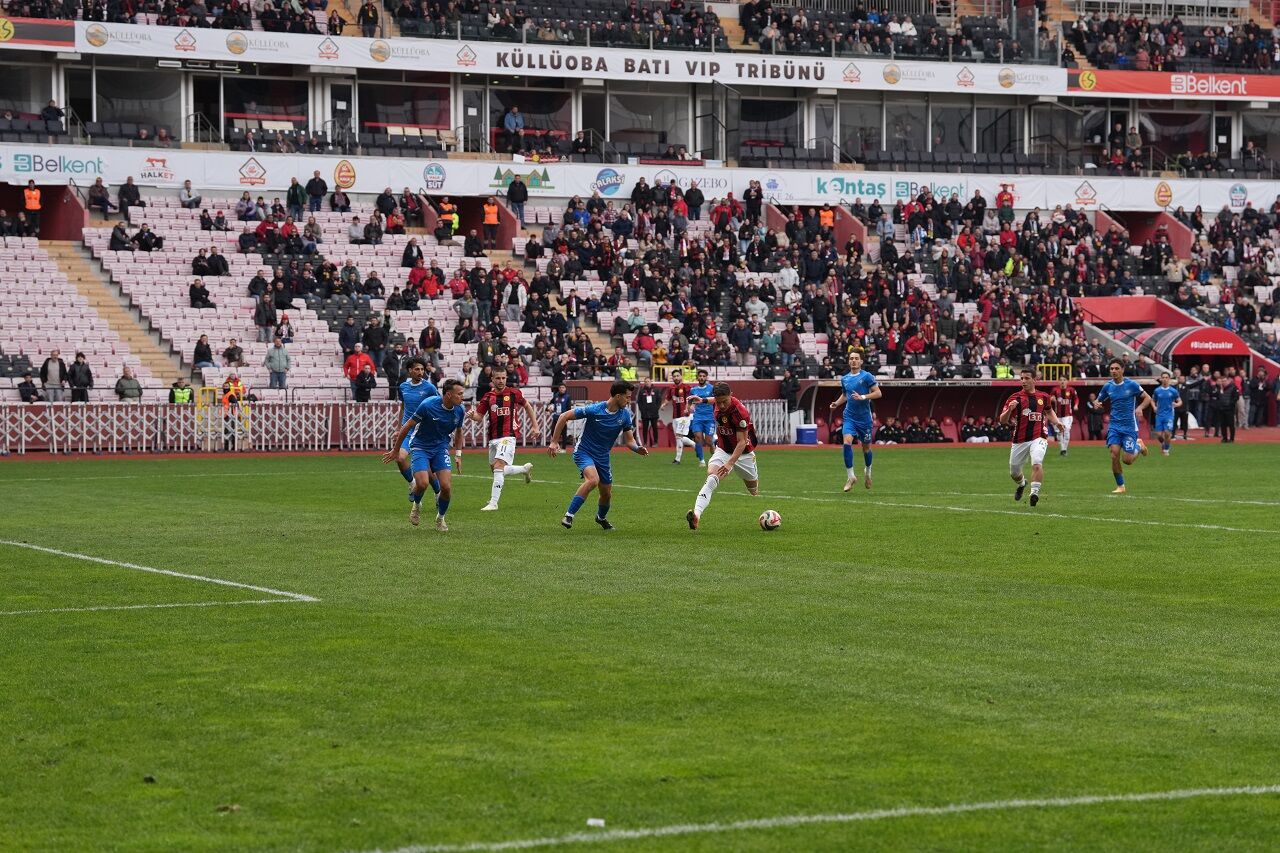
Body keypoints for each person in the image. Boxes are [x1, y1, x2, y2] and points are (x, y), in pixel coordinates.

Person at [547, 380, 647, 530]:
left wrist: (636, 448)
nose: (629, 400)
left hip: (603, 457)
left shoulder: (625, 415)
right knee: (593, 480)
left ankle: (601, 518)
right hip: (584, 452)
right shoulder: (595, 409)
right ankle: (569, 515)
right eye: (627, 397)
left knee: (606, 493)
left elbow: (630, 440)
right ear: (618, 396)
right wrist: (554, 442)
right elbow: (563, 416)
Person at [383, 378, 466, 531]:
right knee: (422, 483)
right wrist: (396, 449)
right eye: (459, 394)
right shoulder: (428, 405)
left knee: (446, 488)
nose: (463, 397)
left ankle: (440, 519)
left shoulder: (460, 410)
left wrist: (458, 454)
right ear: (448, 394)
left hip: (441, 448)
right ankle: (416, 505)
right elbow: (407, 425)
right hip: (420, 446)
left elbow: (459, 432)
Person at [685, 382, 761, 530]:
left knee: (753, 490)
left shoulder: (740, 413)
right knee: (712, 476)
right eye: (718, 402)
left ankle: (753, 489)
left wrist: (730, 464)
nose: (721, 405)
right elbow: (716, 399)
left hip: (743, 453)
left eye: (724, 401)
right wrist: (703, 400)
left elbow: (742, 442)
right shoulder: (718, 402)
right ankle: (696, 515)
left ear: (731, 396)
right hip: (723, 450)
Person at [470, 365, 541, 511]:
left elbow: (527, 406)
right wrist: (472, 416)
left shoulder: (514, 393)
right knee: (496, 469)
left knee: (498, 467)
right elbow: (479, 417)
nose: (501, 381)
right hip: (493, 438)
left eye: (503, 378)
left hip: (508, 436)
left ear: (506, 378)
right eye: (498, 378)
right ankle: (524, 469)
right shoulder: (488, 397)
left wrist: (535, 426)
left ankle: (493, 503)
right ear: (492, 379)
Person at [998, 367, 1065, 508]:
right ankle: (1022, 484)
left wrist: (1057, 422)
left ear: (1035, 380)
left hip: (1039, 436)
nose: (1023, 381)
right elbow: (1002, 420)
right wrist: (1010, 410)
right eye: (1022, 378)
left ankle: (1034, 493)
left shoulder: (1043, 397)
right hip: (1019, 440)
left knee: (1037, 462)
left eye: (1027, 378)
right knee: (1014, 472)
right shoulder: (1014, 398)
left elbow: (1049, 411)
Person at [1094, 358, 1152, 494]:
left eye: (1116, 368)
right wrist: (1097, 403)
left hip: (1129, 427)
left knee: (1127, 460)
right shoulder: (1108, 386)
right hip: (1114, 426)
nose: (1113, 371)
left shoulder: (1131, 385)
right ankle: (1121, 486)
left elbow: (1148, 398)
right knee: (1114, 455)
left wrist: (1140, 407)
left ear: (1122, 370)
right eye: (1112, 369)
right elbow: (1099, 399)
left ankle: (1139, 445)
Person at [829, 350, 882, 491]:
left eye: (856, 358)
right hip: (849, 417)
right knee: (847, 442)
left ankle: (868, 471)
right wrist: (836, 403)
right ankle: (851, 476)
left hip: (864, 419)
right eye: (851, 358)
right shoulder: (845, 379)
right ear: (849, 361)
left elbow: (878, 393)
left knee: (866, 448)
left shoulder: (867, 376)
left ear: (861, 361)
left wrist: (863, 397)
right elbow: (845, 395)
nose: (853, 360)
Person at [393, 358, 442, 500]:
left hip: (424, 432)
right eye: (417, 369)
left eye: (422, 369)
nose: (421, 372)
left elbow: (438, 406)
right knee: (400, 458)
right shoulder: (403, 387)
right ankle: (412, 483)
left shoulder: (430, 388)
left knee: (427, 469)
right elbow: (403, 407)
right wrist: (399, 427)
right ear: (410, 370)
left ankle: (438, 492)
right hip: (408, 431)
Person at [667, 373, 700, 464]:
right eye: (674, 376)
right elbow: (668, 398)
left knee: (679, 437)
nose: (676, 377)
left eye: (678, 376)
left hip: (684, 415)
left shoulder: (686, 387)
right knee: (678, 438)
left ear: (681, 377)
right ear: (672, 378)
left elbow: (694, 397)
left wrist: (692, 406)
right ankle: (694, 446)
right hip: (675, 417)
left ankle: (677, 459)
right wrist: (664, 404)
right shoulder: (671, 388)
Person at [687, 368, 717, 467]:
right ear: (697, 377)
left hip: (709, 418)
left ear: (706, 378)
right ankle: (701, 460)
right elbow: (689, 402)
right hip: (697, 418)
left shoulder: (711, 388)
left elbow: (716, 400)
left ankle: (712, 446)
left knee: (708, 440)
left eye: (704, 376)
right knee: (698, 437)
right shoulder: (693, 390)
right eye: (700, 376)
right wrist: (689, 407)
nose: (702, 377)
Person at [1151, 371, 1182, 456]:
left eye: (1166, 377)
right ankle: (1163, 444)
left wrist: (1176, 404)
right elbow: (1152, 400)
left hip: (1169, 415)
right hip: (1159, 415)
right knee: (1158, 435)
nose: (1164, 379)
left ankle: (1166, 449)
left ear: (1169, 379)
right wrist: (1154, 407)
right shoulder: (1157, 390)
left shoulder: (1173, 391)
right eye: (1163, 377)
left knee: (1167, 433)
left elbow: (1180, 401)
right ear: (1161, 379)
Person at [1051, 378, 1078, 457]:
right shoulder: (1055, 390)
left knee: (1066, 431)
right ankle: (1062, 449)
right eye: (1061, 380)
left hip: (1067, 415)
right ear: (1059, 381)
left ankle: (1064, 449)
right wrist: (1051, 399)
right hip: (1057, 415)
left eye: (1064, 380)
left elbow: (1076, 398)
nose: (1062, 381)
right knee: (1059, 432)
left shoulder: (1071, 390)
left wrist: (1076, 405)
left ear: (1067, 381)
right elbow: (1050, 398)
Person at [636, 378, 662, 447]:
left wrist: (656, 408)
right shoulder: (641, 391)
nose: (647, 383)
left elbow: (659, 400)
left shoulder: (656, 390)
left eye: (648, 381)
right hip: (645, 413)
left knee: (654, 428)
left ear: (651, 382)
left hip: (654, 412)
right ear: (644, 383)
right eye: (646, 382)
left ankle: (655, 442)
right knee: (645, 428)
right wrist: (642, 410)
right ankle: (645, 443)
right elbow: (639, 402)